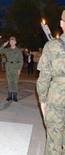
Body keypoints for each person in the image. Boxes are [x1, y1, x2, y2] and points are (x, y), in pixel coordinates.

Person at [37, 10, 65, 154]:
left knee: (54, 141)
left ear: (62, 24)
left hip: (57, 99)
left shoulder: (52, 46)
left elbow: (44, 78)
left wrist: (42, 101)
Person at [0, 36, 23, 102]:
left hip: (16, 67)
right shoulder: (7, 50)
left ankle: (14, 96)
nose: (12, 42)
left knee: (15, 82)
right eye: (11, 41)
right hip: (9, 67)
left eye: (13, 41)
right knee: (9, 82)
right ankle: (9, 95)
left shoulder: (18, 51)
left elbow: (21, 60)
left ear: (15, 42)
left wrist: (19, 69)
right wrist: (3, 45)